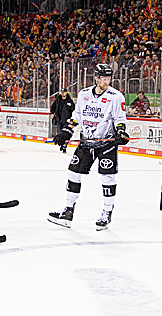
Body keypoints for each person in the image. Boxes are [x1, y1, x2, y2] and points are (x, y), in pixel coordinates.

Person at [48, 63, 127, 231]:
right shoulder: (84, 95)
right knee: (73, 173)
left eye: (108, 78)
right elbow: (77, 116)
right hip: (86, 142)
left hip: (107, 143)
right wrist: (67, 132)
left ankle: (107, 211)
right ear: (96, 78)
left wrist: (121, 132)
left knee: (107, 177)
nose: (106, 81)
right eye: (103, 78)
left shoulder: (116, 96)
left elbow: (120, 118)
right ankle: (68, 210)